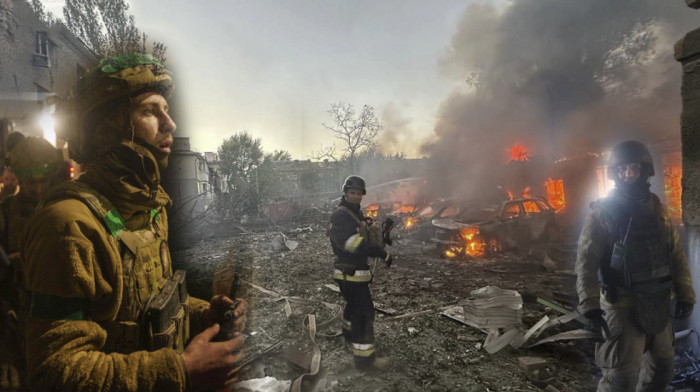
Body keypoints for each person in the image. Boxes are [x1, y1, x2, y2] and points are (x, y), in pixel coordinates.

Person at [19, 53, 247, 391]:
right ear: (108, 128)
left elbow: (150, 305)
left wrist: (202, 315)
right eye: (150, 111)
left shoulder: (150, 211)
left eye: (166, 111)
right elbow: (55, 371)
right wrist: (179, 371)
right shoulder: (69, 227)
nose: (170, 124)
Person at [575, 140, 695, 392]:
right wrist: (590, 305)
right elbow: (586, 262)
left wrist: (686, 294)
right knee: (621, 380)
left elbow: (675, 253)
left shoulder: (657, 209)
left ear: (645, 170)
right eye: (623, 169)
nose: (629, 174)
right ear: (615, 173)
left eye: (634, 168)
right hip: (623, 309)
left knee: (662, 372)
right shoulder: (602, 213)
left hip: (658, 304)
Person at [329, 175, 393, 370]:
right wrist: (379, 251)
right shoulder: (341, 215)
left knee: (354, 305)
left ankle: (348, 335)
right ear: (345, 193)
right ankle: (365, 360)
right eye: (352, 193)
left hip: (353, 272)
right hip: (350, 272)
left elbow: (361, 237)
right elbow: (351, 244)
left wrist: (379, 236)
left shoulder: (353, 212)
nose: (356, 196)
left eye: (359, 193)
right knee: (364, 313)